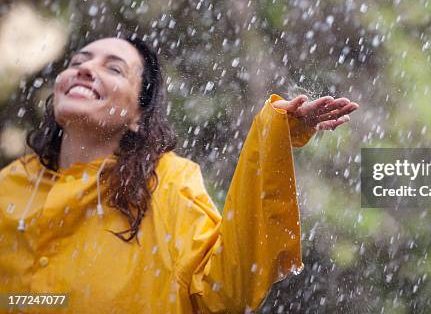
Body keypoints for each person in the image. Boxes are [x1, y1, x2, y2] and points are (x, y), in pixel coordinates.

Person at [0, 36, 359, 313]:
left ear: (138, 115)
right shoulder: (10, 185)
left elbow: (228, 290)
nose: (84, 69)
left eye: (113, 69)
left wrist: (273, 134)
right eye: (78, 61)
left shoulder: (168, 183)